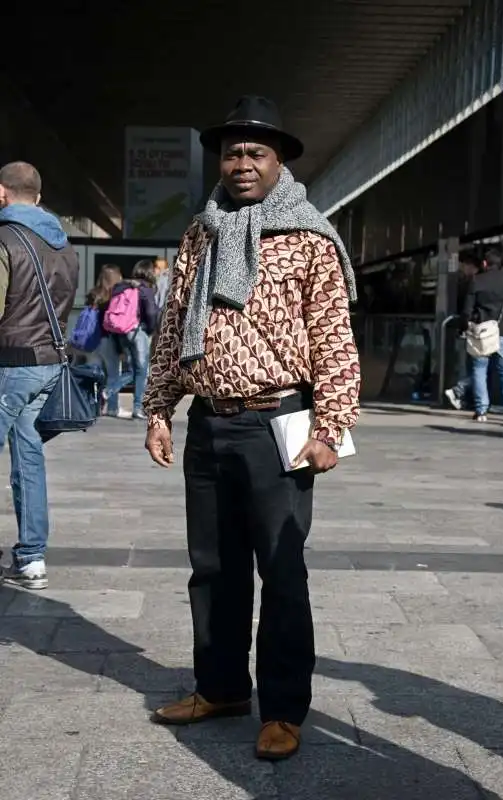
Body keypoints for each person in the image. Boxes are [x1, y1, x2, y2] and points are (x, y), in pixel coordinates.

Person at [143, 96, 360, 760]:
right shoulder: (200, 232)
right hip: (211, 426)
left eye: (255, 153)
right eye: (232, 152)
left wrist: (332, 427)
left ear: (280, 162)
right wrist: (158, 409)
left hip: (280, 422)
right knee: (212, 569)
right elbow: (176, 325)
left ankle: (285, 708)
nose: (241, 163)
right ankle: (221, 687)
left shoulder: (310, 237)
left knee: (283, 570)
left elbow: (334, 342)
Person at [0, 161, 79, 590]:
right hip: (48, 362)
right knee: (28, 458)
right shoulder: (63, 244)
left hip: (10, 363)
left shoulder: (5, 238)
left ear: (1, 193)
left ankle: (30, 557)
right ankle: (31, 559)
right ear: (39, 195)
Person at [462, 247, 503, 422]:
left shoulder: (476, 281)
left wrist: (465, 325)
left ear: (485, 264)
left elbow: (467, 310)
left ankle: (481, 411)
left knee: (480, 369)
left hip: (482, 331)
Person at [104, 258, 158, 419]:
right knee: (142, 371)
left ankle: (109, 390)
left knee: (132, 370)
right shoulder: (145, 289)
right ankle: (138, 408)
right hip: (137, 331)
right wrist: (149, 329)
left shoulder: (121, 286)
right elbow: (150, 313)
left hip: (120, 331)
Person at [444, 250, 482, 410]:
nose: (462, 269)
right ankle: (460, 392)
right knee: (476, 366)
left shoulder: (471, 283)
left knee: (471, 366)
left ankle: (460, 392)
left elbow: (466, 308)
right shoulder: (471, 282)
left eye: (464, 265)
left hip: (469, 328)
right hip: (473, 328)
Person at [85, 264, 124, 417]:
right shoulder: (114, 295)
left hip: (92, 340)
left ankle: (94, 407)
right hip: (108, 339)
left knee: (96, 374)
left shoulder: (93, 294)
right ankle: (113, 408)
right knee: (113, 374)